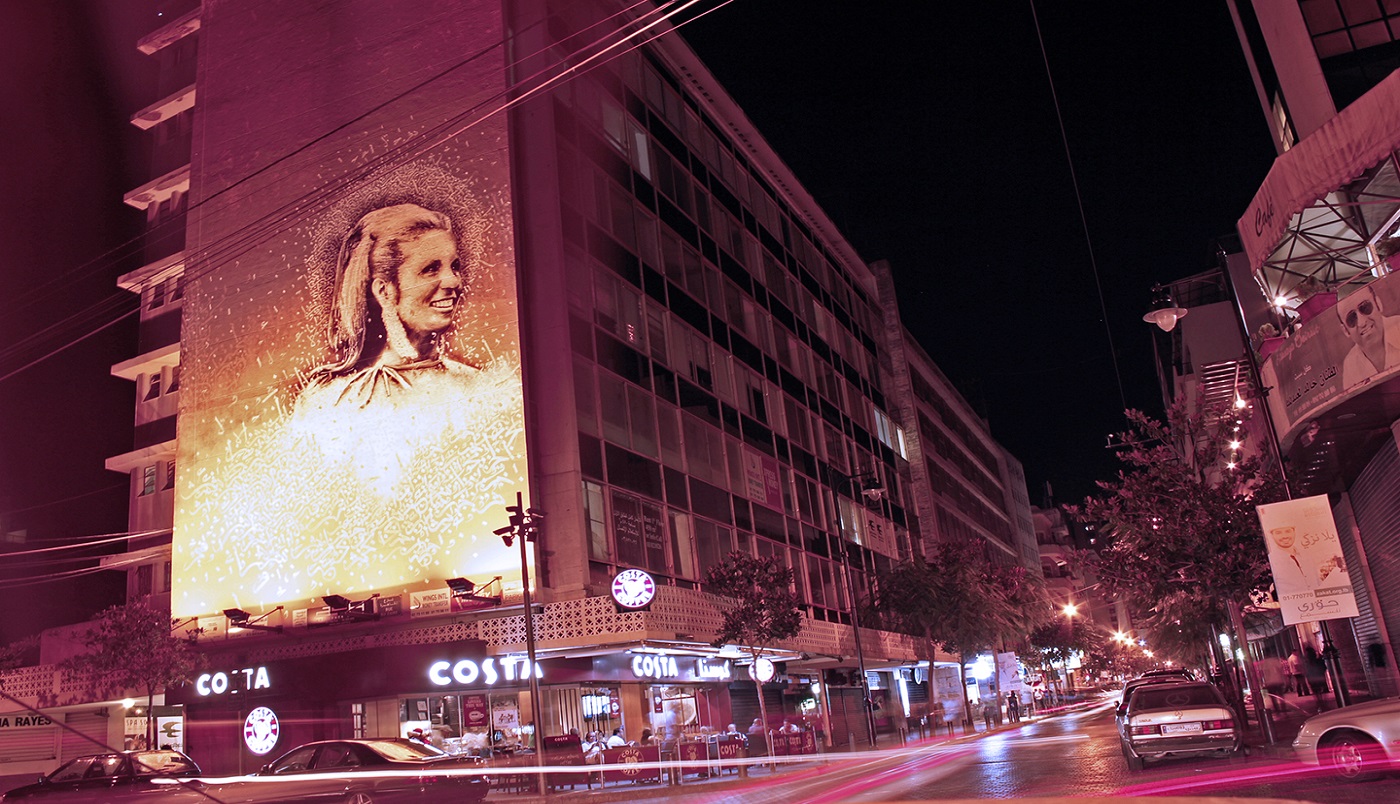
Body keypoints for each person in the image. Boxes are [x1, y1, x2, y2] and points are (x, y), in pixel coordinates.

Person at [298, 203, 476, 410]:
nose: (454, 282)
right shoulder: (331, 400)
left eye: (454, 267)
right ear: (384, 291)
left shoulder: (478, 385)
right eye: (430, 269)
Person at [1336, 285, 1400, 387]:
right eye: (1352, 318)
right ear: (1345, 330)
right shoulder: (1350, 364)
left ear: (1378, 304)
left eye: (1365, 308)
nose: (1362, 322)